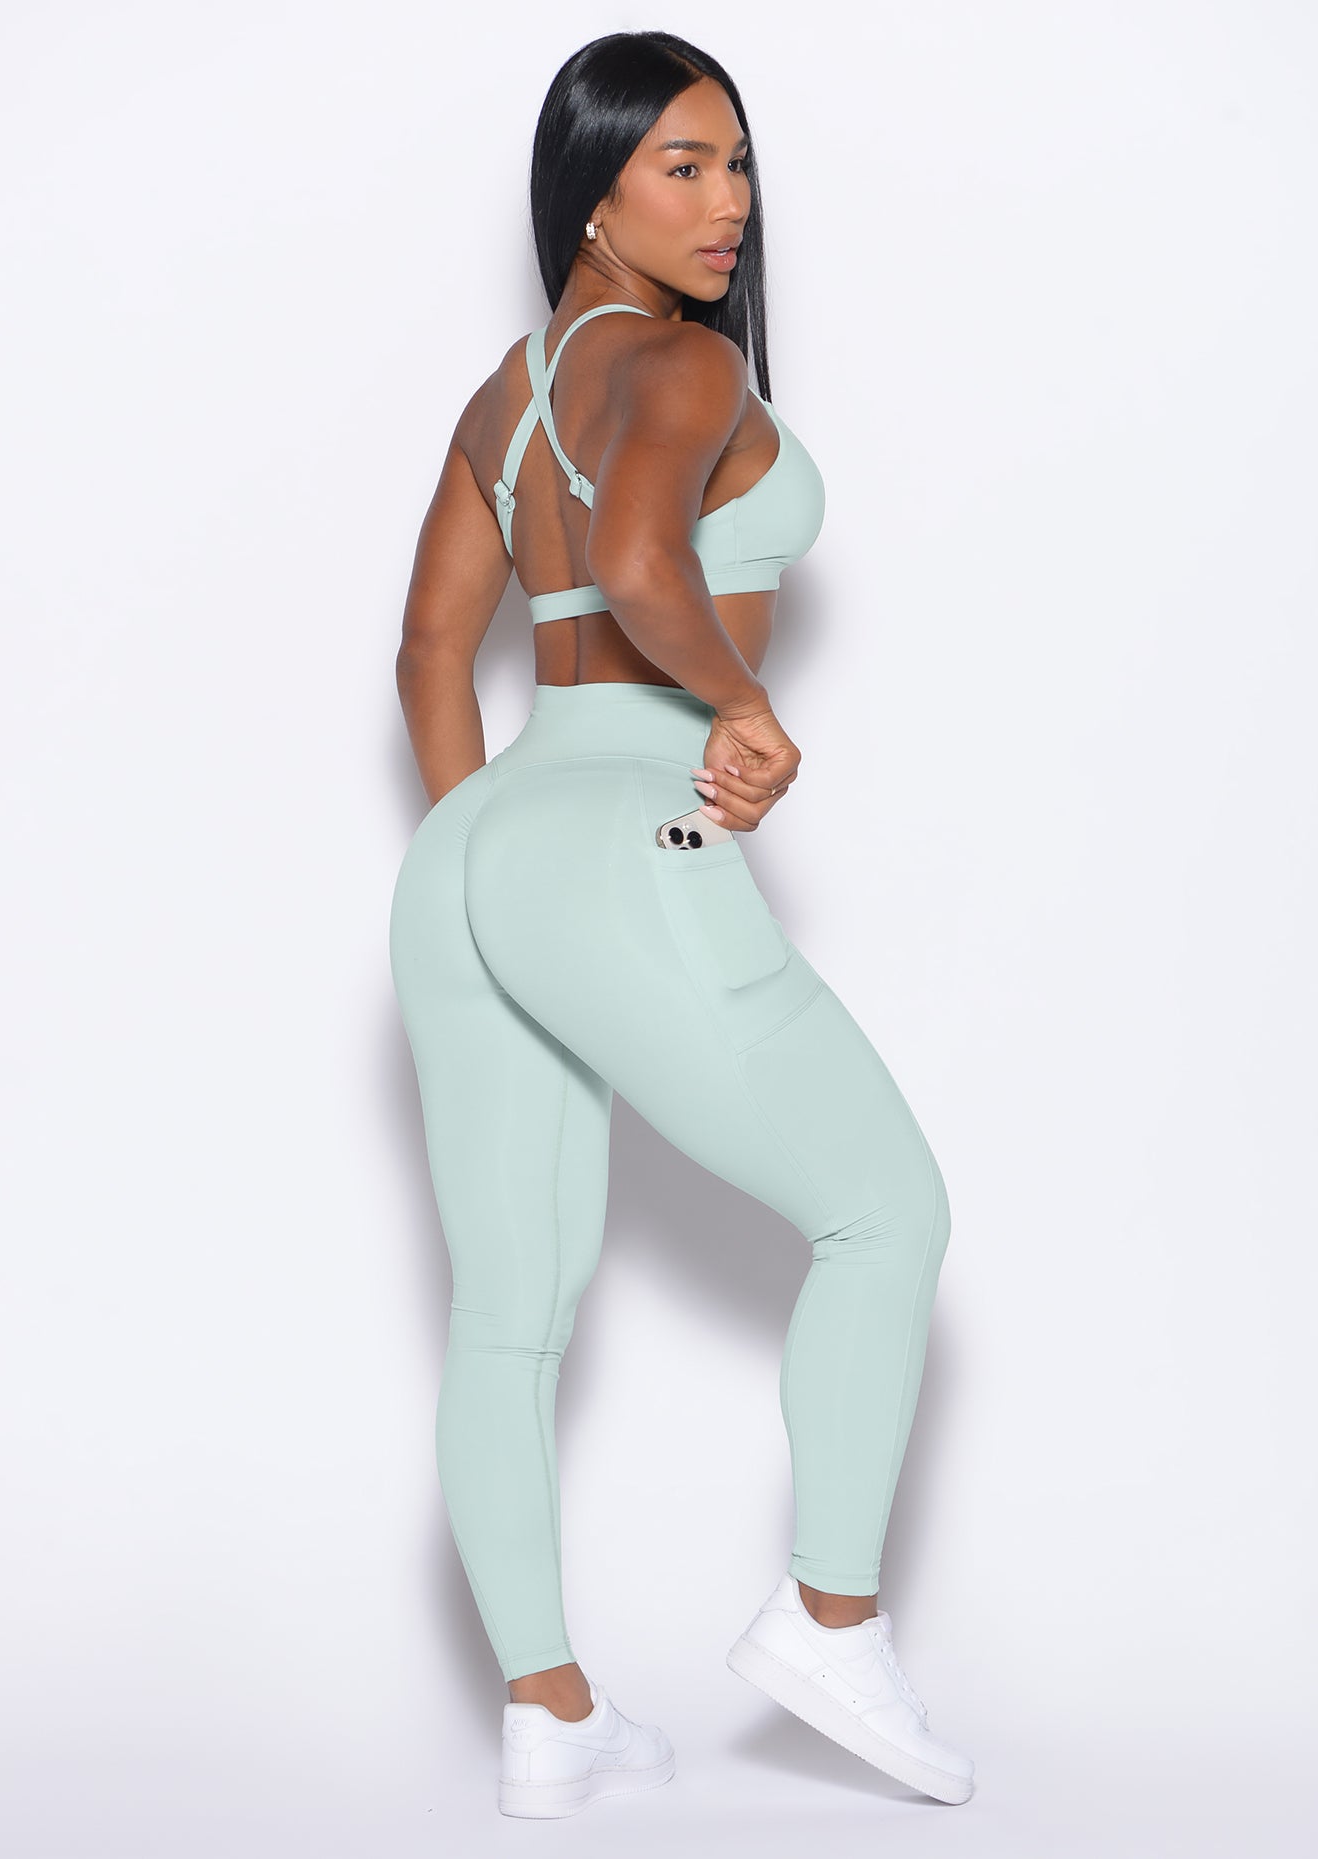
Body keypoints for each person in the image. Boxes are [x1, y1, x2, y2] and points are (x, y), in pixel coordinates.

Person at [388, 29, 975, 1820]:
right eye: (685, 165)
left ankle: (552, 1716)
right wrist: (739, 704)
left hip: (478, 850)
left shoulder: (506, 396)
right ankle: (831, 1620)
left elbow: (431, 653)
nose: (730, 205)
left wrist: (494, 852)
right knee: (887, 1212)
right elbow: (646, 565)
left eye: (739, 163)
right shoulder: (684, 362)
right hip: (623, 836)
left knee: (508, 1313)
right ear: (594, 187)